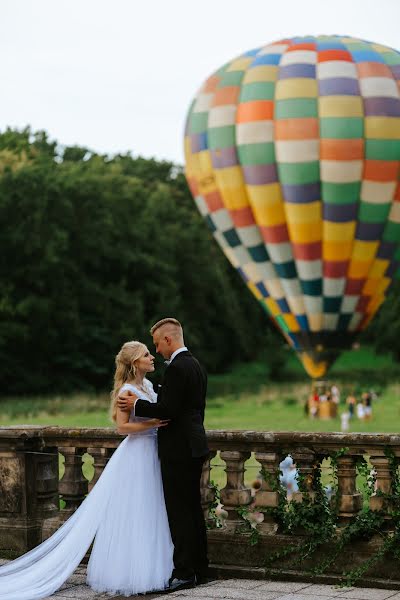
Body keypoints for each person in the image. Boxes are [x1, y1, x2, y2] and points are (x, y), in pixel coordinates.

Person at [0, 341, 173, 599]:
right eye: (147, 354)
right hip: (137, 453)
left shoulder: (146, 386)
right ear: (135, 361)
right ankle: (131, 572)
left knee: (152, 508)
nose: (152, 357)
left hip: (152, 453)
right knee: (135, 509)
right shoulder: (126, 391)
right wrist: (154, 424)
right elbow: (122, 428)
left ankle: (155, 567)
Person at [118, 317, 209, 593]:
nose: (156, 350)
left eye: (157, 344)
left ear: (168, 340)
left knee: (180, 513)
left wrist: (138, 403)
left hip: (179, 450)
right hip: (194, 446)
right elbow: (181, 405)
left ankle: (183, 572)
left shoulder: (177, 369)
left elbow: (168, 410)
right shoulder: (195, 365)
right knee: (193, 510)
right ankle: (200, 568)